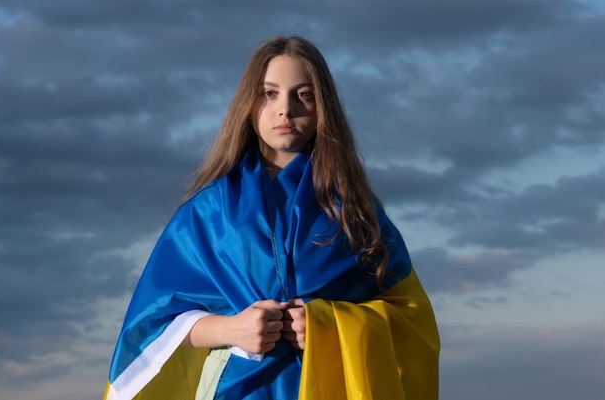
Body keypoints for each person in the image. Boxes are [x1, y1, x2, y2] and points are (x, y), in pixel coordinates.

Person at [104, 35, 440, 400]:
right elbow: (153, 324)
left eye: (304, 94)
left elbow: (410, 319)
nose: (286, 109)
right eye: (269, 93)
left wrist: (326, 324)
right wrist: (232, 328)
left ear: (323, 108)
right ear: (249, 104)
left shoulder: (358, 214)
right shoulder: (208, 212)